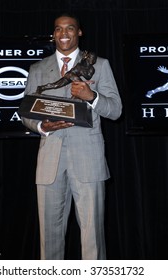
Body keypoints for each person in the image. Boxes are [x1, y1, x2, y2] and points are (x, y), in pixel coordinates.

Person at [21, 13, 122, 260]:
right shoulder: (38, 68)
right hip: (49, 161)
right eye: (58, 29)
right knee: (49, 237)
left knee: (92, 238)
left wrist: (93, 97)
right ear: (53, 34)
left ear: (79, 32)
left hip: (88, 160)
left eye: (69, 28)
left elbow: (116, 110)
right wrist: (42, 126)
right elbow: (26, 113)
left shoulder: (99, 65)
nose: (63, 33)